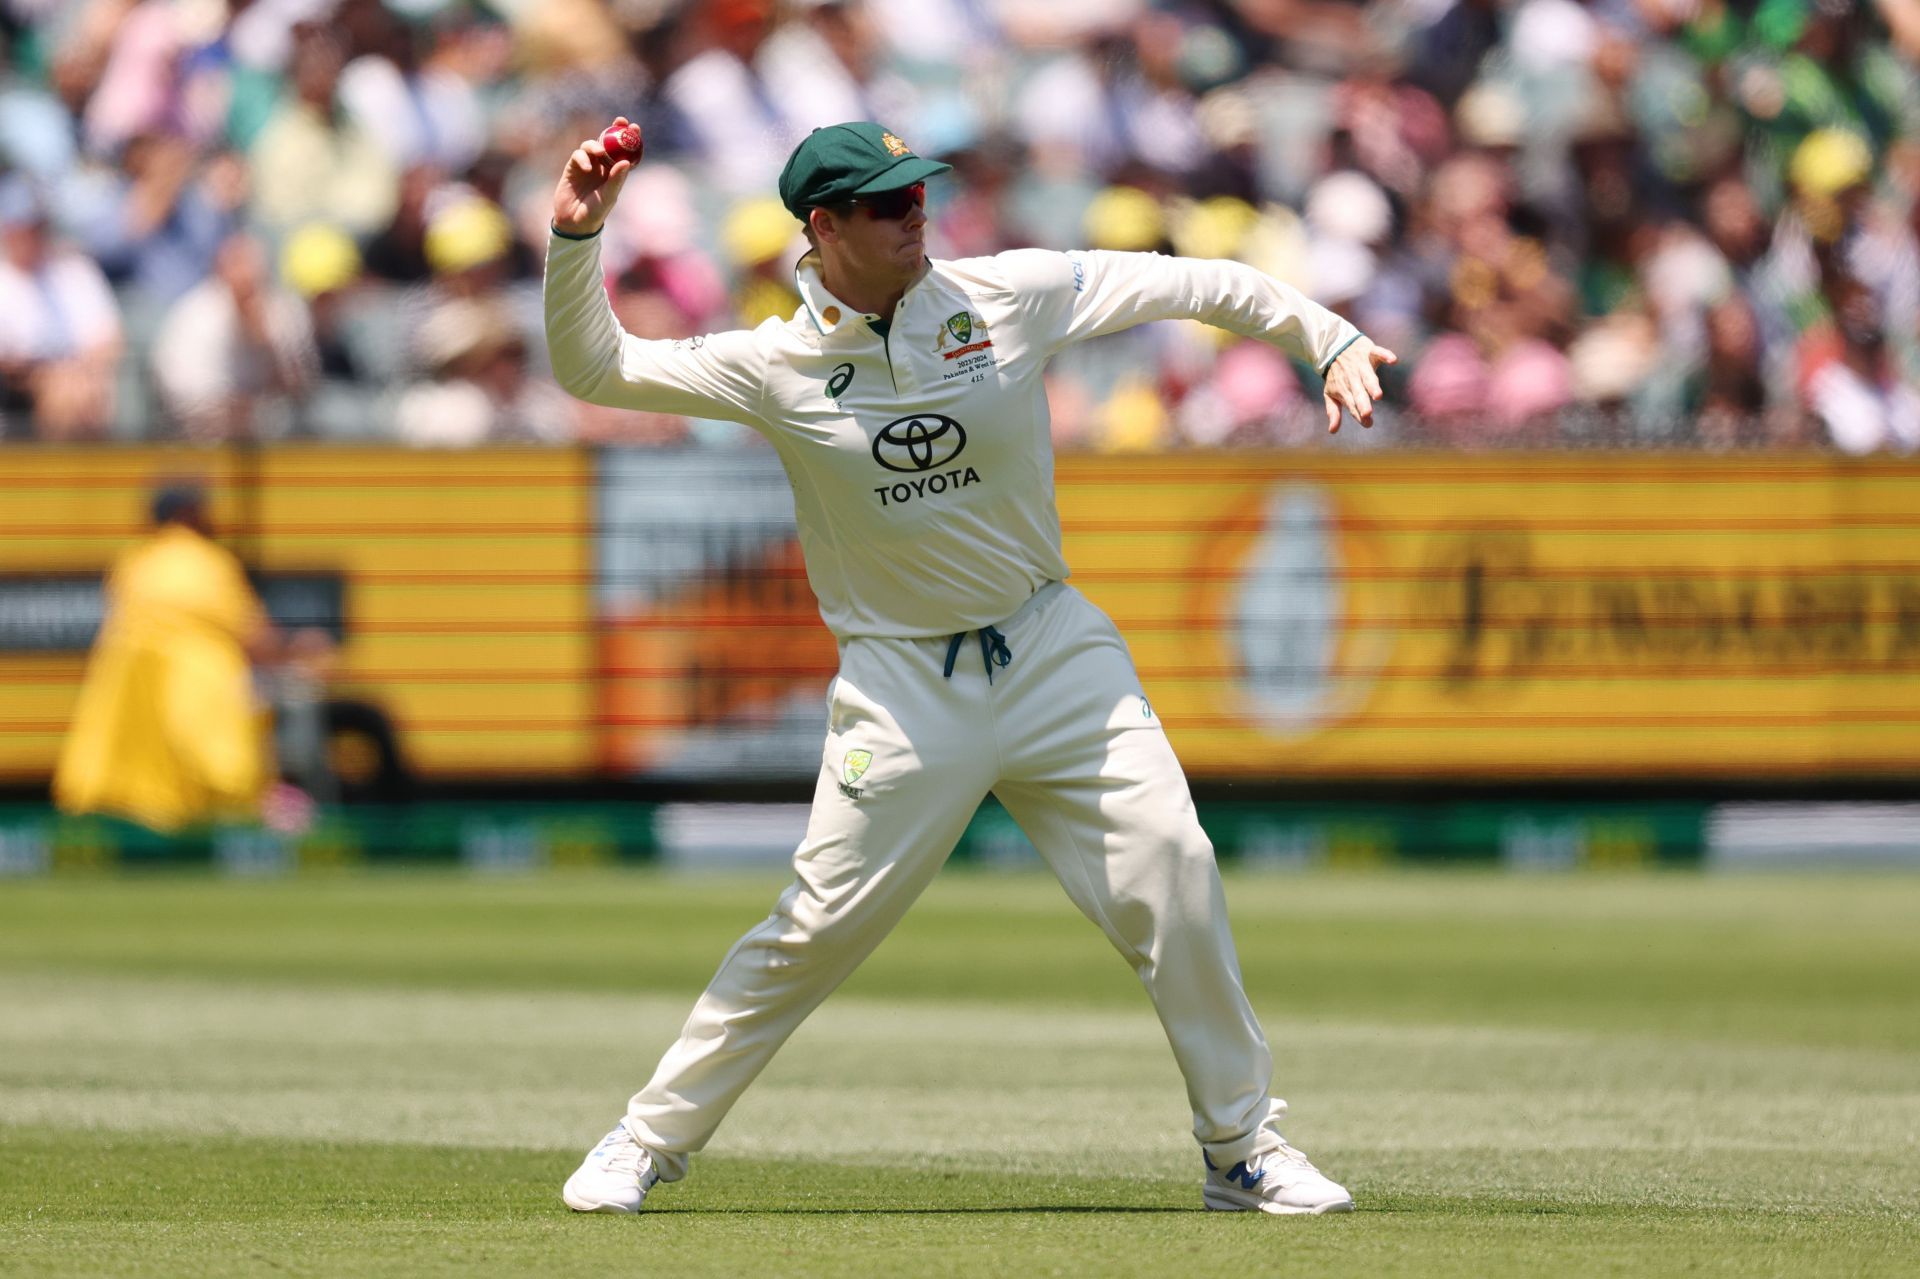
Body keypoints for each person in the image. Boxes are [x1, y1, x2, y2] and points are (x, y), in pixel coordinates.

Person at [545, 118, 1396, 1216]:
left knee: (1175, 867)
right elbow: (594, 366)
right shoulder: (775, 361)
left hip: (1051, 648)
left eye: (919, 196)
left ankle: (1241, 1148)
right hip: (902, 688)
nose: (917, 216)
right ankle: (644, 1141)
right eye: (889, 205)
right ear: (825, 226)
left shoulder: (1004, 294)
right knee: (812, 931)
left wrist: (1321, 335)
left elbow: (1202, 284)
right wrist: (578, 239)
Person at [53, 483, 274, 834]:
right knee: (220, 766)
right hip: (200, 682)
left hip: (129, 686)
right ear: (188, 513)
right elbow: (253, 634)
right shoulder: (208, 561)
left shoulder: (136, 563)